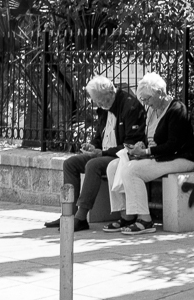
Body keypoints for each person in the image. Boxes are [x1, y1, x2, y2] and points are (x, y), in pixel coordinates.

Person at [44, 76, 145, 231]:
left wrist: (101, 152)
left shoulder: (130, 106)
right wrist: (92, 146)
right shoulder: (104, 108)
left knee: (93, 164)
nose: (98, 104)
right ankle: (68, 214)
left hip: (121, 156)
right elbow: (100, 135)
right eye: (95, 101)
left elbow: (130, 144)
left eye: (100, 100)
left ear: (111, 93)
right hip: (103, 153)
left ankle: (81, 217)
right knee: (70, 163)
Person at [104, 73, 194, 235]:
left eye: (147, 98)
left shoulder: (177, 110)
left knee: (132, 170)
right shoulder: (152, 110)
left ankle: (145, 219)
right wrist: (141, 146)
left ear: (160, 93)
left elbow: (172, 146)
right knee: (113, 166)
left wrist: (147, 152)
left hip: (180, 158)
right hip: (159, 156)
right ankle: (126, 215)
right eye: (143, 99)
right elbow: (152, 138)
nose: (145, 103)